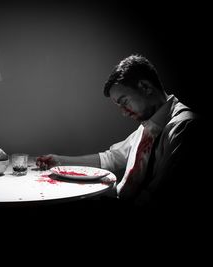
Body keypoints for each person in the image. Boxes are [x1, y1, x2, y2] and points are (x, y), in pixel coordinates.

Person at [36, 54, 204, 208]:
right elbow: (111, 158)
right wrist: (59, 160)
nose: (124, 112)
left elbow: (161, 196)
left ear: (145, 87)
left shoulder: (185, 127)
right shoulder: (148, 126)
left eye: (124, 101)